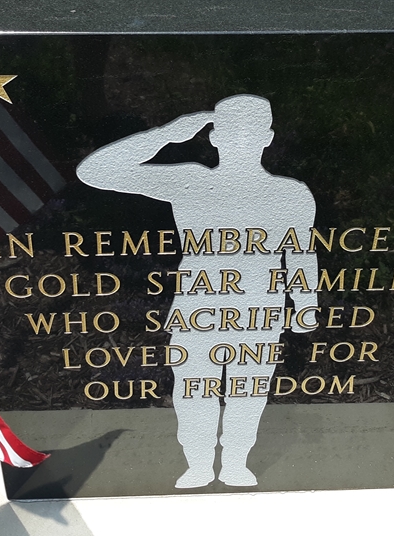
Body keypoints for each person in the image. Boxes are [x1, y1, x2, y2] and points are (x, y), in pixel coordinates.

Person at [77, 95, 317, 488]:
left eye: (250, 134)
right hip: (198, 310)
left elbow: (299, 251)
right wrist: (168, 134)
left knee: (248, 391)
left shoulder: (290, 195)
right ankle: (200, 463)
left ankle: (237, 461)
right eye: (231, 134)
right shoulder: (190, 181)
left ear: (267, 138)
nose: (240, 142)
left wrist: (305, 304)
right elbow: (95, 171)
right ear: (215, 138)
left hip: (260, 310)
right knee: (193, 391)